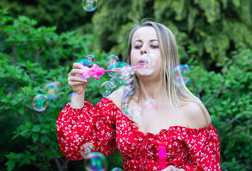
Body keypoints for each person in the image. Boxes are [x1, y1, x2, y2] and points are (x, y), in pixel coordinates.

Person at [56, 21, 221, 171]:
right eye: (137, 46)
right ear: (130, 58)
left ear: (168, 56)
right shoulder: (119, 101)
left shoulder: (191, 110)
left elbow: (209, 168)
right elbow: (76, 148)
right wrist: (78, 94)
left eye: (154, 46)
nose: (143, 50)